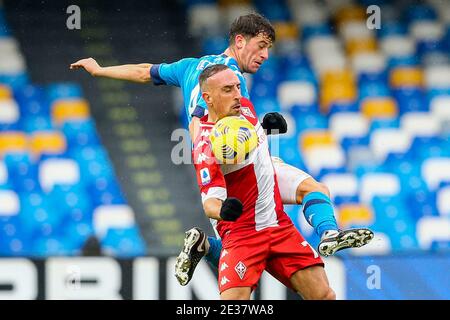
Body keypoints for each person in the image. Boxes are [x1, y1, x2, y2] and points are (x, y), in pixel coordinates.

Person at [70, 13, 374, 287]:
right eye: (261, 45)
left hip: (231, 161)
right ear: (239, 41)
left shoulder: (191, 67)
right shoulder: (228, 75)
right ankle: (322, 235)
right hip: (235, 166)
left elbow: (145, 71)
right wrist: (224, 137)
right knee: (274, 216)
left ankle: (326, 235)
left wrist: (100, 70)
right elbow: (211, 121)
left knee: (301, 195)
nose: (265, 55)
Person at [192, 63, 337, 299]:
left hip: (278, 225)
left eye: (238, 87)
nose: (237, 95)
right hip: (243, 234)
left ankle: (329, 232)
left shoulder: (245, 108)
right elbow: (210, 204)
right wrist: (225, 210)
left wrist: (265, 127)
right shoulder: (206, 145)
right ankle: (211, 247)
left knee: (324, 296)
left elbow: (253, 141)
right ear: (208, 98)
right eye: (228, 90)